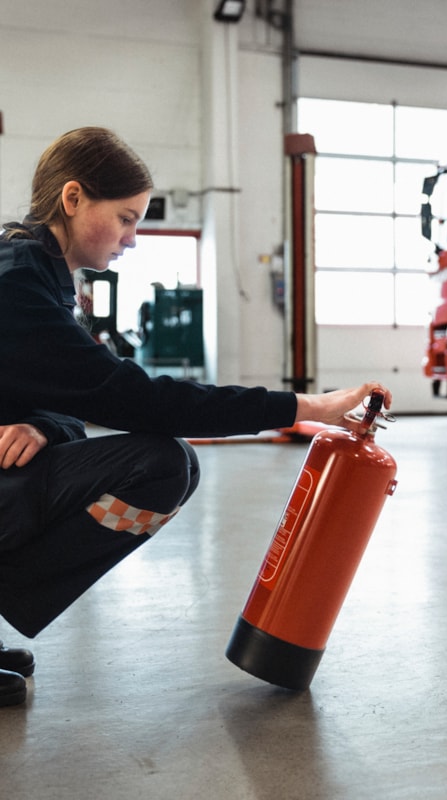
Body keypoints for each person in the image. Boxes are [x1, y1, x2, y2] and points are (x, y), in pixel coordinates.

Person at [0, 127, 392, 707]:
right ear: (74, 197)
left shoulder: (42, 275)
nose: (133, 239)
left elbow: (69, 401)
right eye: (127, 218)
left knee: (169, 462)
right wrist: (297, 407)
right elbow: (127, 396)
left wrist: (40, 424)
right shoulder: (17, 283)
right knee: (161, 464)